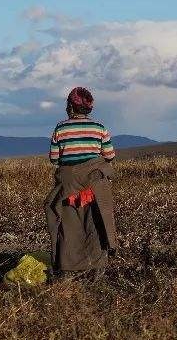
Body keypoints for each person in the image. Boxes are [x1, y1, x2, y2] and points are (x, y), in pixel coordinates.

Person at [44, 86, 119, 275]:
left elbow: (54, 158)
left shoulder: (60, 128)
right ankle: (96, 269)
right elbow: (110, 155)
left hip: (69, 188)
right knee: (96, 224)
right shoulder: (100, 128)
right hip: (95, 187)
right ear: (89, 108)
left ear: (70, 106)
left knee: (69, 226)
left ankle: (69, 270)